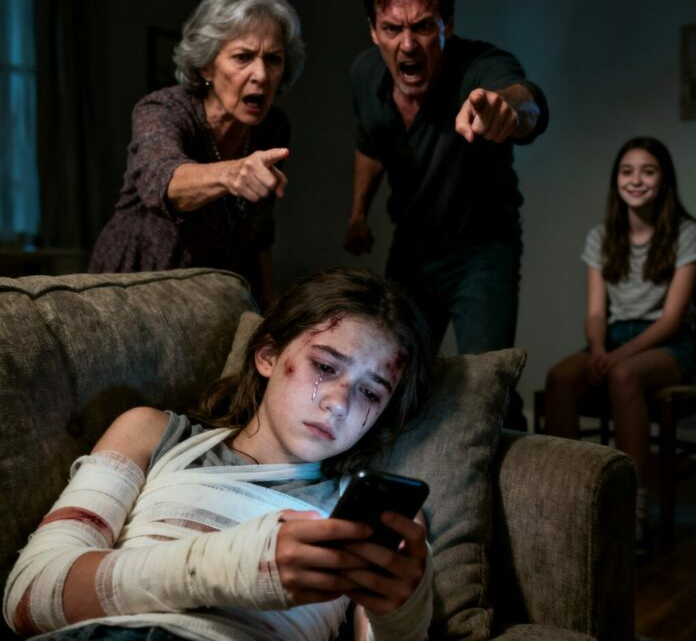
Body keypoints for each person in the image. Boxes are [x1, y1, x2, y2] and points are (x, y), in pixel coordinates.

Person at [4, 267, 434, 641]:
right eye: (324, 367)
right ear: (268, 355)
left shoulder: (379, 518)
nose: (339, 403)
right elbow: (29, 594)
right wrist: (232, 567)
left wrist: (401, 613)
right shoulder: (151, 434)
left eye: (370, 392)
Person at [343, 0, 549, 428]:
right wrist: (357, 214)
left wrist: (506, 110)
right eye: (392, 29)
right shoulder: (364, 75)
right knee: (388, 375)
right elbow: (370, 144)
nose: (407, 44)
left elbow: (525, 101)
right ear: (373, 30)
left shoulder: (479, 65)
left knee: (487, 386)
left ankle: (508, 465)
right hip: (413, 248)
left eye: (422, 26)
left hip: (482, 251)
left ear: (447, 24)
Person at [89, 0, 305, 309]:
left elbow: (261, 226)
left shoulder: (273, 127)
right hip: (131, 284)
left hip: (210, 293)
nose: (261, 75)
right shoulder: (163, 109)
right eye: (243, 57)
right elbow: (162, 180)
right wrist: (232, 174)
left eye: (273, 59)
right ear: (207, 66)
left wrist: (269, 294)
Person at [544, 137, 696, 553]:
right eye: (627, 171)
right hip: (611, 339)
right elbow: (596, 314)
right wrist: (597, 349)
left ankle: (633, 512)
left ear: (664, 181)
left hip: (670, 342)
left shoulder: (686, 234)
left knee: (624, 376)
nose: (636, 180)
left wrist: (614, 358)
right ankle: (569, 502)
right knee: (560, 378)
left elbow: (671, 320)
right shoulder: (601, 237)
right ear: (616, 181)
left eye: (648, 171)